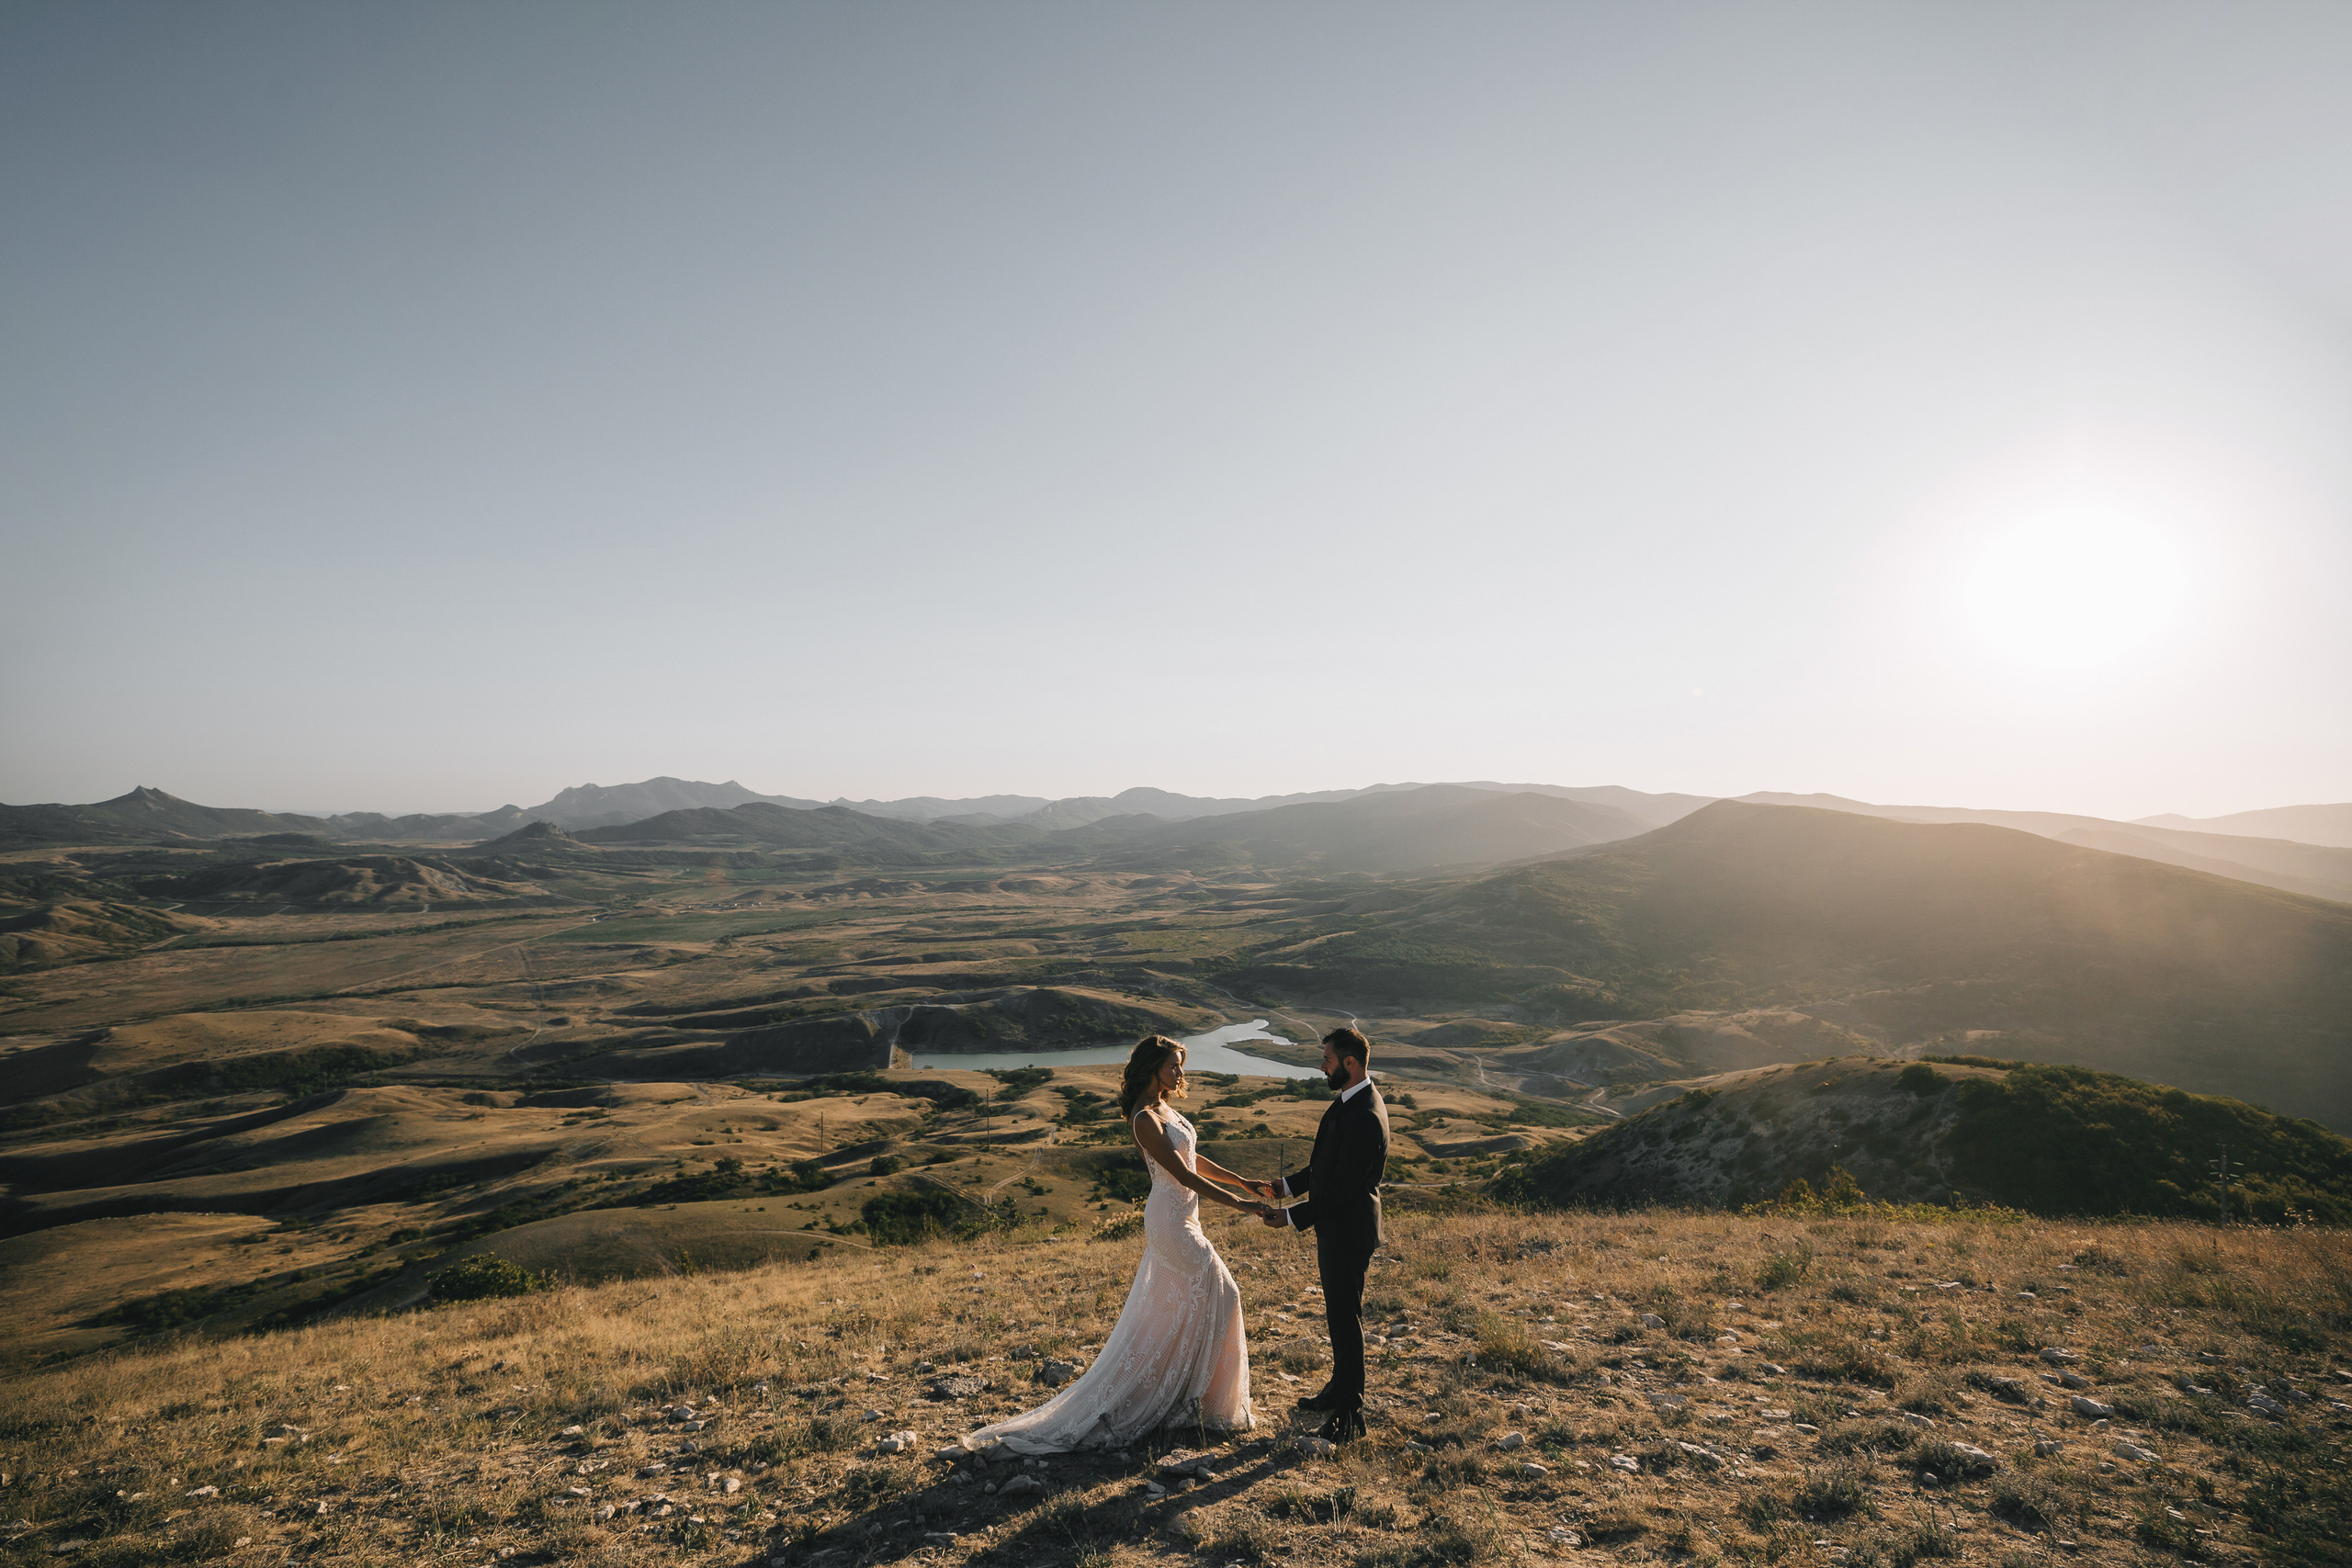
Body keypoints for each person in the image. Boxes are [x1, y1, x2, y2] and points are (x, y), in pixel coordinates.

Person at [962, 1035, 1272, 1453]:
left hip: (1187, 1217)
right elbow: (1181, 1175)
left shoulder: (1165, 1107)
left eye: (1181, 1065)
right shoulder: (1145, 1118)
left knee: (1193, 1303)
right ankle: (1197, 1400)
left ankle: (1193, 1398)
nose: (1181, 1073)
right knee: (1224, 1292)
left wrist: (1242, 1180)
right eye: (1174, 1066)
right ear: (1152, 1067)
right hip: (1170, 1222)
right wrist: (1241, 1204)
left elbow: (1195, 1158)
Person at [1253, 1026, 1389, 1442]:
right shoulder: (1352, 1100)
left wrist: (1291, 1217)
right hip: (1337, 1229)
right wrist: (1286, 1186)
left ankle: (1351, 1412)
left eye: (1327, 1060)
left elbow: (1344, 1190)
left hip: (1349, 1231)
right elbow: (1325, 1169)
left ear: (1350, 1063)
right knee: (1338, 1315)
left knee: (1347, 1320)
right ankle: (1338, 1389)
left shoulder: (1364, 1114)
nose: (1321, 1066)